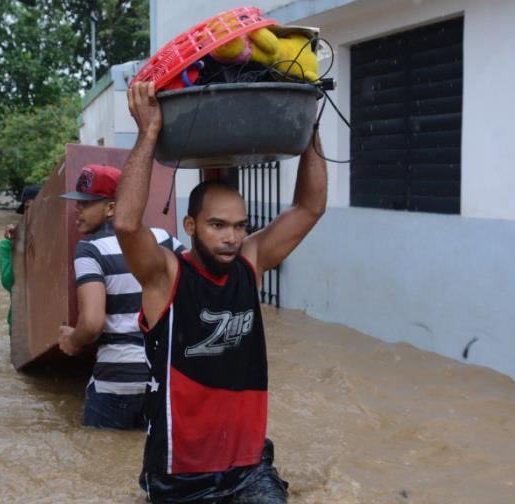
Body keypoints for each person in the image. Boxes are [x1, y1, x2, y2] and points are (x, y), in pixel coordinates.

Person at [114, 82, 328, 502]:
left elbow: (310, 207)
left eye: (239, 226)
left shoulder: (252, 264)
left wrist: (309, 129)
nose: (231, 237)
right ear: (191, 227)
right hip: (180, 473)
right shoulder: (166, 276)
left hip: (248, 468)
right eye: (217, 225)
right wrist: (148, 134)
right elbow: (125, 224)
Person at [57, 164, 183, 430]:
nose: (77, 209)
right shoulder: (165, 239)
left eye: (86, 203)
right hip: (163, 377)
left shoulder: (90, 250)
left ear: (112, 208)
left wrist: (72, 340)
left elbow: (92, 324)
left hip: (115, 382)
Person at [0, 185, 41, 327]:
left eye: (37, 207)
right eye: (27, 208)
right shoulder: (7, 245)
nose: (32, 213)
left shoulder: (55, 239)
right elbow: (9, 283)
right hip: (20, 322)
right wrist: (18, 245)